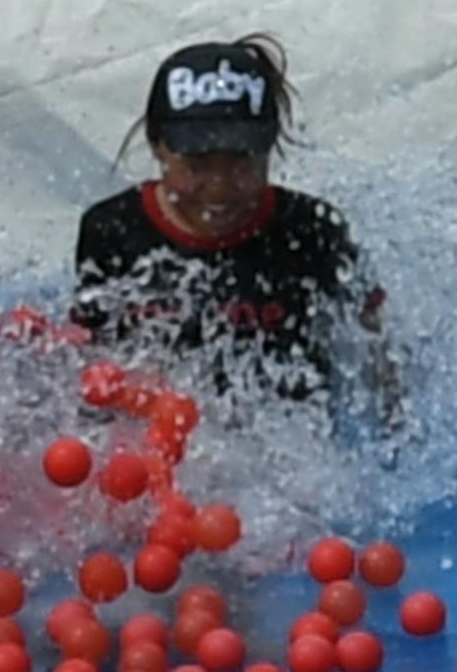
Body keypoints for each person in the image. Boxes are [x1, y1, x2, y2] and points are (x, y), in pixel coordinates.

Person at [73, 36, 390, 410]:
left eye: (242, 162)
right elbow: (93, 360)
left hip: (291, 437)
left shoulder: (312, 230)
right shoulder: (113, 230)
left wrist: (394, 432)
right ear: (158, 146)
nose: (219, 187)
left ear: (270, 149)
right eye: (196, 163)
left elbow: (377, 350)